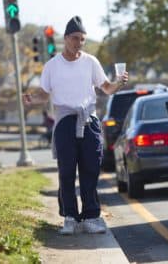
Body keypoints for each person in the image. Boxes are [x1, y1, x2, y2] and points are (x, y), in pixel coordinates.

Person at [23, 16, 128, 235]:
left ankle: (91, 216)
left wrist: (118, 83)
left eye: (82, 39)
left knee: (90, 169)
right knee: (67, 170)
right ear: (65, 39)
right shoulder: (52, 65)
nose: (79, 43)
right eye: (75, 38)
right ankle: (70, 217)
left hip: (89, 120)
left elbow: (106, 88)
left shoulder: (91, 61)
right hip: (64, 122)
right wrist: (32, 99)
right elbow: (44, 93)